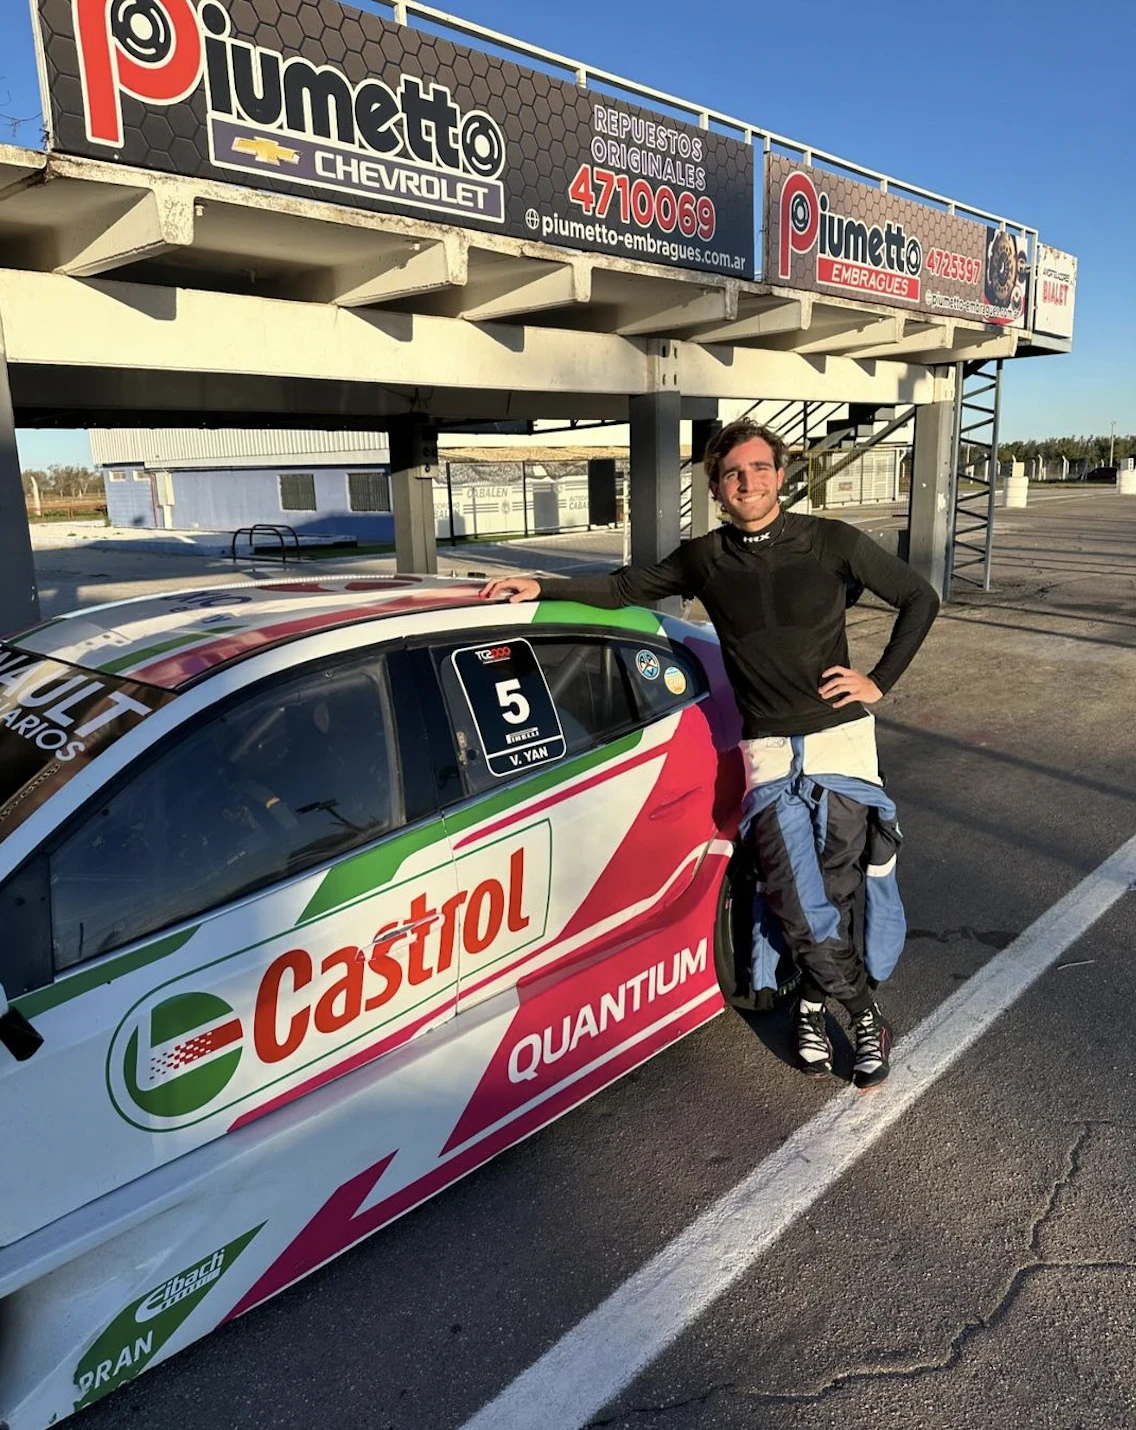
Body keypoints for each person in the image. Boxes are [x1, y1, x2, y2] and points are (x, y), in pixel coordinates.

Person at [480, 419, 939, 1088]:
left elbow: (918, 598)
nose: (747, 482)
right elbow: (623, 589)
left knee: (837, 889)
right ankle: (864, 1015)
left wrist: (880, 679)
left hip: (841, 742)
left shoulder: (830, 542)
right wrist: (541, 587)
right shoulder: (706, 558)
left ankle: (810, 1003)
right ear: (718, 490)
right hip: (769, 752)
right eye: (732, 474)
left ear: (780, 476)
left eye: (759, 469)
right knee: (792, 893)